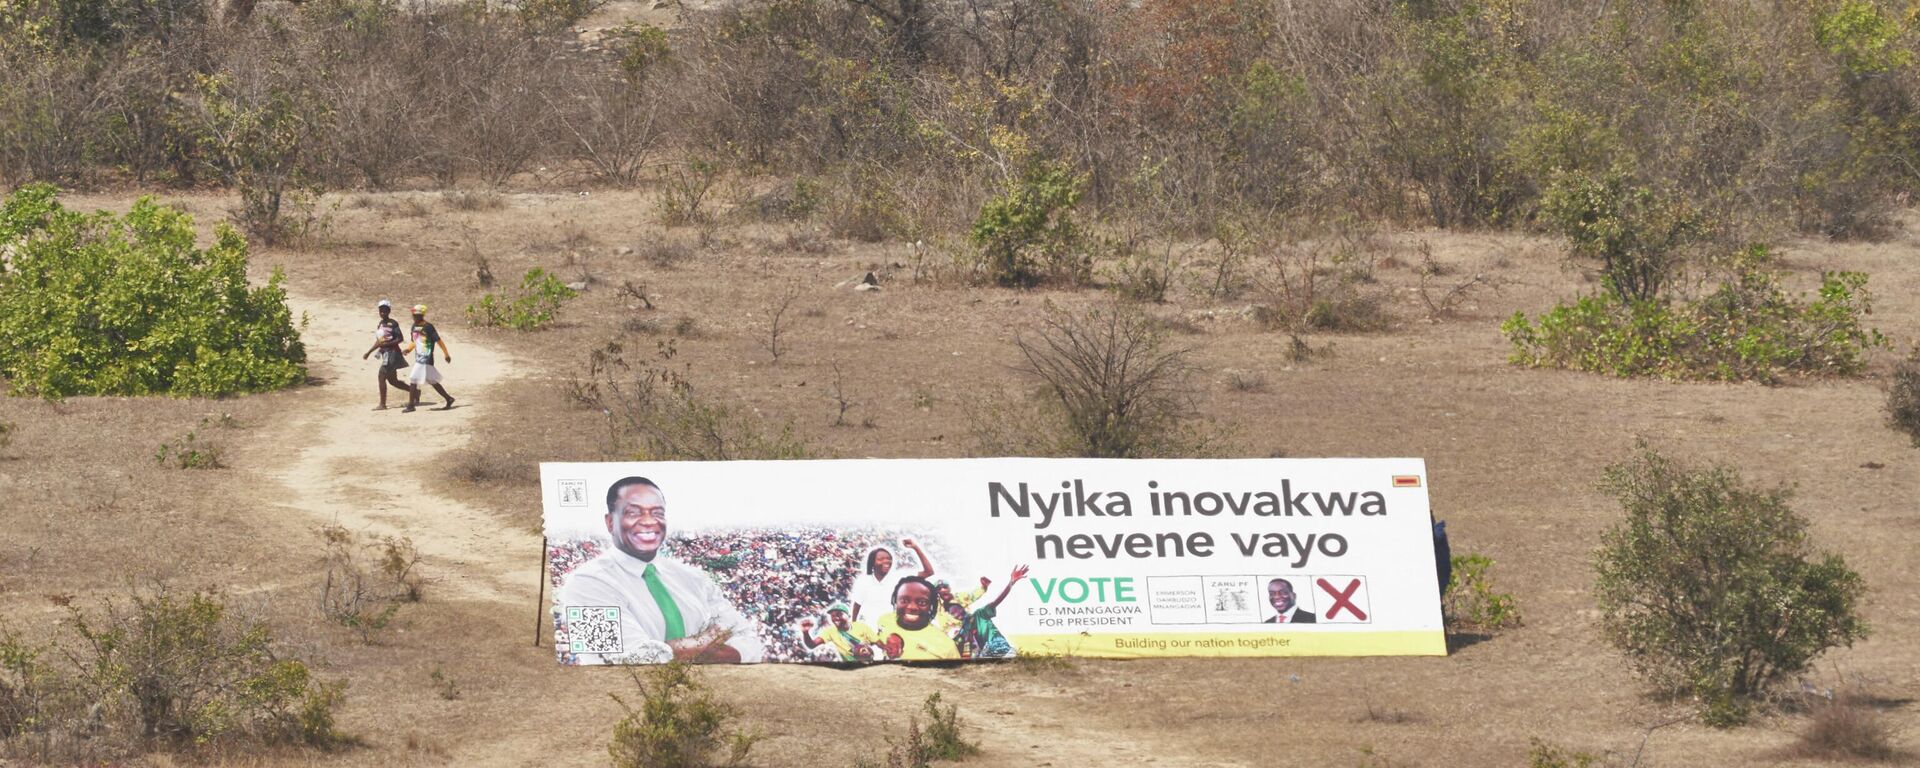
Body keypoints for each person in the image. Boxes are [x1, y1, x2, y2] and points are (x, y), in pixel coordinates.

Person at [555, 476, 765, 663]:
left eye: (657, 513)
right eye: (633, 512)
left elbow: (750, 643)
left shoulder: (693, 578)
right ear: (610, 522)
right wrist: (707, 638)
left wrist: (673, 649)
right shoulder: (583, 584)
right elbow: (630, 659)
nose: (648, 521)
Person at [945, 565, 1028, 659]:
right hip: (987, 658)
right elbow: (965, 651)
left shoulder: (979, 614)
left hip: (1002, 651)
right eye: (953, 613)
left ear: (963, 608)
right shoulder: (963, 631)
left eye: (957, 609)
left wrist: (1011, 582)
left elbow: (997, 600)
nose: (956, 613)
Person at [848, 539, 935, 627]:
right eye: (880, 559)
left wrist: (915, 547)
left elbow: (929, 572)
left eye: (889, 559)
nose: (886, 561)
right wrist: (854, 624)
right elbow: (857, 604)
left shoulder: (899, 577)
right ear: (872, 562)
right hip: (870, 626)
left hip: (894, 628)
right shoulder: (863, 581)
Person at [876, 576, 958, 661]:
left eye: (922, 602)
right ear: (895, 601)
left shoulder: (946, 646)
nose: (912, 607)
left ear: (931, 605)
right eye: (904, 600)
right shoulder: (884, 620)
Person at [402, 304, 455, 413]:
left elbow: (438, 341)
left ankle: (411, 405)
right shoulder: (414, 327)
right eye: (413, 314)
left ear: (422, 315)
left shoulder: (428, 327)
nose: (414, 316)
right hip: (419, 357)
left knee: (413, 378)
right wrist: (408, 349)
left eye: (417, 314)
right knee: (432, 381)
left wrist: (446, 354)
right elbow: (415, 341)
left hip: (426, 358)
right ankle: (449, 399)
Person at [360, 299, 409, 410]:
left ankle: (382, 404)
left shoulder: (393, 323)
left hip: (393, 353)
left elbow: (400, 338)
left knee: (381, 376)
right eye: (381, 310)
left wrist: (388, 343)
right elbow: (379, 341)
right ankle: (415, 392)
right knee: (393, 381)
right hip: (386, 354)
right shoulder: (380, 324)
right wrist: (369, 352)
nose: (382, 313)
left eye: (385, 310)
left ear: (389, 311)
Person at [798, 602, 879, 662]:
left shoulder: (860, 626)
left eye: (839, 614)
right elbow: (811, 645)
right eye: (832, 616)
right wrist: (805, 633)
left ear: (848, 616)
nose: (835, 618)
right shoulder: (830, 632)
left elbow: (878, 642)